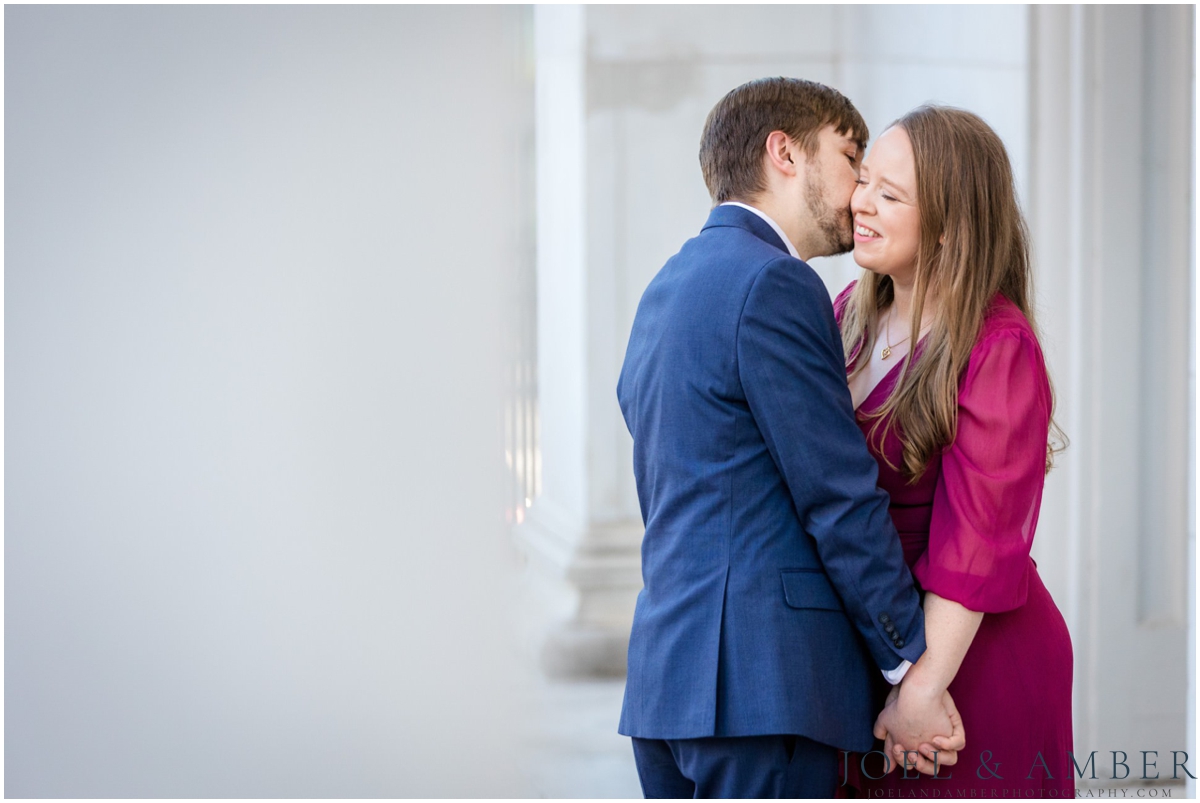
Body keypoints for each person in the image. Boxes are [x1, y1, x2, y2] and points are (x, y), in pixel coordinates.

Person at [616, 77, 963, 799]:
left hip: (667, 684)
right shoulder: (775, 282)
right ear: (785, 153)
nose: (859, 193)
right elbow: (836, 493)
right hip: (760, 692)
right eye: (850, 156)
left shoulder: (668, 286)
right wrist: (912, 668)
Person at [836, 105, 1074, 797]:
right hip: (880, 649)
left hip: (968, 662)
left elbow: (978, 541)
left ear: (947, 226)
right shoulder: (851, 308)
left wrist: (919, 691)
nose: (861, 202)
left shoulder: (997, 345)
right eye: (865, 179)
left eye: (891, 194)